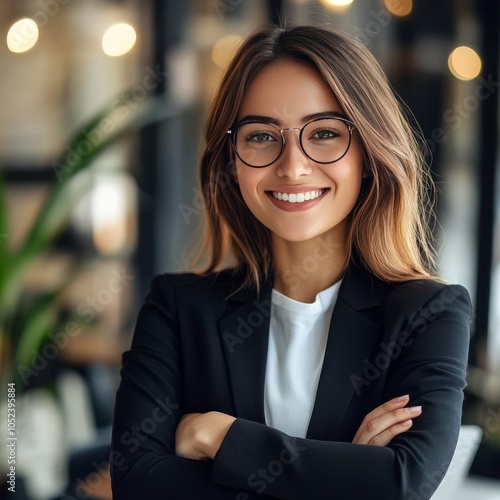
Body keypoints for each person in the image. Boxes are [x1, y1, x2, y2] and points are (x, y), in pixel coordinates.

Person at [110, 24, 471, 499]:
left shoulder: (429, 313)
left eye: (323, 133)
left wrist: (219, 437)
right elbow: (136, 484)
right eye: (261, 136)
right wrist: (344, 474)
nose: (293, 166)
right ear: (231, 161)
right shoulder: (177, 309)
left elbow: (402, 481)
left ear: (368, 153)